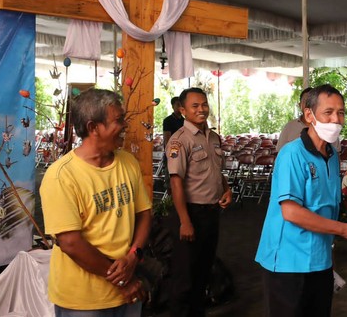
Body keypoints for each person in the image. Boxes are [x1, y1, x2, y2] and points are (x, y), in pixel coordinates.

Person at [255, 84, 347, 317]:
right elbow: (291, 212)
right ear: (309, 115)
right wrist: (344, 230)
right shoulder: (292, 154)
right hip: (288, 262)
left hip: (320, 260)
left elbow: (327, 206)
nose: (335, 120)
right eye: (328, 112)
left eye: (340, 113)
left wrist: (332, 250)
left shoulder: (333, 155)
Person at [40, 88, 152, 316]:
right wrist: (123, 282)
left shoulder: (128, 163)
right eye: (118, 120)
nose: (125, 126)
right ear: (93, 128)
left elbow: (144, 213)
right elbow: (70, 243)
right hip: (83, 301)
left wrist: (134, 255)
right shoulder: (61, 176)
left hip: (129, 290)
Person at [165, 87, 233, 317]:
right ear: (182, 110)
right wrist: (184, 220)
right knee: (184, 277)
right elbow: (176, 182)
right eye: (195, 106)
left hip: (211, 214)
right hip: (190, 214)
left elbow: (216, 170)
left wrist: (226, 189)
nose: (201, 109)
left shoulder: (213, 137)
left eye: (204, 104)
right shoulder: (179, 140)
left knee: (204, 272)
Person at [276, 87, 312, 152]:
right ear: (299, 105)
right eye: (305, 101)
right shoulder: (289, 127)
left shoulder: (324, 128)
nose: (308, 105)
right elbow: (280, 153)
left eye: (311, 101)